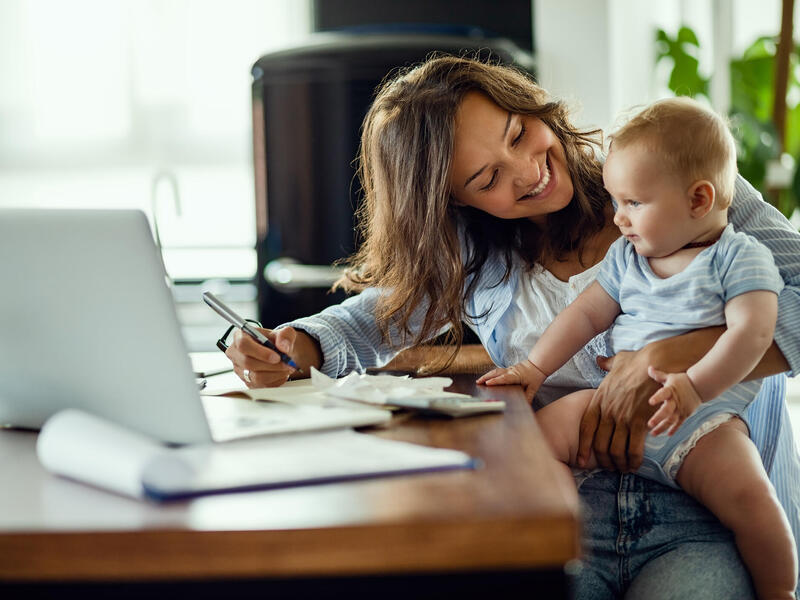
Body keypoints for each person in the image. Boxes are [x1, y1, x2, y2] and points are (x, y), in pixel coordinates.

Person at [224, 55, 800, 598]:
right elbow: (369, 320)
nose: (529, 172)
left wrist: (679, 356)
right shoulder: (477, 256)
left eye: (519, 133)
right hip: (568, 505)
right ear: (453, 204)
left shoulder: (673, 178)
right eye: (487, 178)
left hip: (710, 502)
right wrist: (296, 343)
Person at [477, 96, 796, 599]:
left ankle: (779, 589)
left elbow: (752, 336)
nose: (619, 218)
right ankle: (563, 539)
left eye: (634, 204)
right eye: (616, 201)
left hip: (702, 421)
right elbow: (585, 313)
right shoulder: (628, 258)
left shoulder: (739, 257)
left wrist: (692, 386)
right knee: (534, 440)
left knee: (751, 498)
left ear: (697, 200)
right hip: (609, 403)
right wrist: (535, 367)